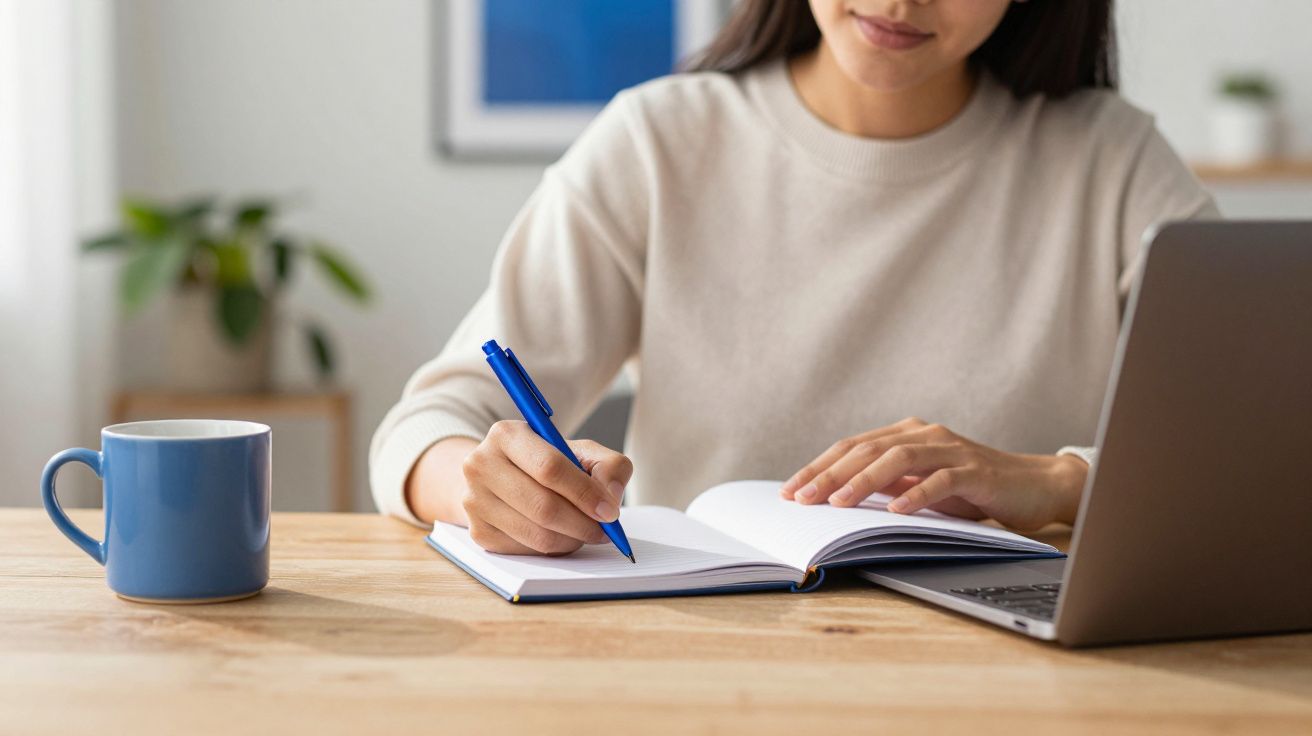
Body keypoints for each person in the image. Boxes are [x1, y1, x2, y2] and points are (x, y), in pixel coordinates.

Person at [370, 0, 1216, 555]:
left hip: (1018, 678)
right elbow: (428, 425)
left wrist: (1064, 479)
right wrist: (484, 486)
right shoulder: (659, 143)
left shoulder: (1112, 160)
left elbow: (1266, 445)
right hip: (707, 667)